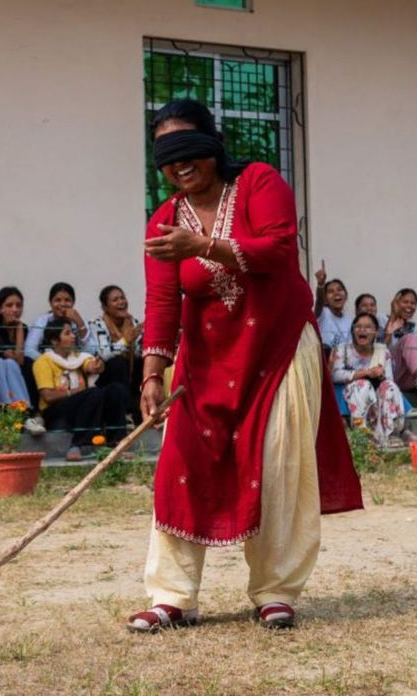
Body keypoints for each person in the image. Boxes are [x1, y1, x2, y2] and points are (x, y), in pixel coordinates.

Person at [133, 99, 360, 632]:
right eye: (166, 156)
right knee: (180, 466)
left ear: (213, 143)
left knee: (277, 464)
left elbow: (279, 251)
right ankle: (172, 596)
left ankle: (275, 591)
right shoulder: (165, 221)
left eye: (188, 149)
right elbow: (162, 303)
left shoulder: (259, 182)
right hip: (206, 359)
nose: (179, 165)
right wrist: (150, 372)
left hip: (277, 347)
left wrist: (204, 245)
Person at [33, 317, 114, 461]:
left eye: (72, 332)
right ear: (54, 341)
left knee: (114, 390)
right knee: (93, 394)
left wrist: (96, 367)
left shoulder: (77, 358)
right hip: (54, 411)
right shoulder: (43, 361)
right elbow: (48, 396)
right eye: (67, 333)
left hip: (79, 405)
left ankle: (115, 443)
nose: (73, 336)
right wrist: (73, 392)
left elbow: (89, 364)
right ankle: (78, 444)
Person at [331, 313, 407, 447]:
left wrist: (380, 375)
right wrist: (366, 372)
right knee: (363, 385)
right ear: (353, 330)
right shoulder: (343, 349)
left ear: (376, 332)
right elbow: (335, 375)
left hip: (376, 392)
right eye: (358, 327)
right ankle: (363, 435)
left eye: (368, 327)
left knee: (389, 386)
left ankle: (390, 434)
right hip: (348, 393)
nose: (362, 330)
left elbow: (388, 379)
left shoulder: (382, 351)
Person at [0, 287, 44, 433]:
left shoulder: (24, 328)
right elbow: (17, 360)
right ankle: (17, 411)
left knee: (29, 363)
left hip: (17, 371)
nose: (15, 309)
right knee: (5, 363)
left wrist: (20, 329)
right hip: (0, 374)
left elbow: (21, 360)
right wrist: (19, 328)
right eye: (9, 305)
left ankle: (28, 413)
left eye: (18, 305)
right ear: (0, 308)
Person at [85, 285, 144, 420]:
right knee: (118, 362)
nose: (121, 302)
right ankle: (126, 412)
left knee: (143, 362)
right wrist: (125, 341)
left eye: (122, 298)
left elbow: (137, 354)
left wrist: (144, 341)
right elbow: (103, 353)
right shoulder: (97, 323)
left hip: (128, 373)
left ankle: (141, 412)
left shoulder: (132, 322)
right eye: (115, 300)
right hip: (106, 375)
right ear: (105, 307)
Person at [25, 282, 91, 362]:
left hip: (75, 365)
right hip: (49, 366)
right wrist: (53, 362)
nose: (62, 304)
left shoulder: (80, 320)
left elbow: (91, 352)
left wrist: (80, 324)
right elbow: (29, 350)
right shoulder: (43, 321)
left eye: (67, 300)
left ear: (73, 303)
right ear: (50, 302)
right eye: (57, 300)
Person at [314, 264, 352, 356]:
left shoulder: (350, 320)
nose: (336, 293)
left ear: (346, 295)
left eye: (339, 290)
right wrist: (320, 285)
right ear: (325, 299)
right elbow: (319, 302)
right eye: (330, 291)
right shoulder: (323, 313)